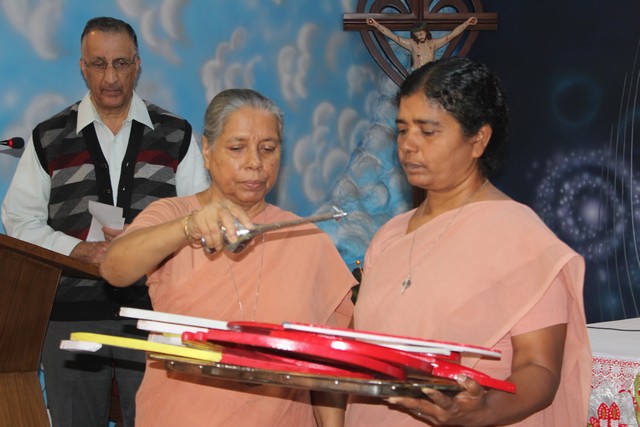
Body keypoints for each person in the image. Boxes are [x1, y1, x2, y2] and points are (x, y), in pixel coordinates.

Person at [344, 57, 592, 426]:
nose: (408, 145)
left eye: (428, 132)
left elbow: (539, 368)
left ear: (478, 139)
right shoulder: (389, 235)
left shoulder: (520, 236)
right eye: (402, 129)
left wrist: (482, 410)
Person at [99, 88, 356, 427]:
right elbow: (114, 269)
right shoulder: (174, 215)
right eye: (237, 148)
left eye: (268, 149)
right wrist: (189, 226)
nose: (255, 163)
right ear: (207, 150)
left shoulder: (306, 238)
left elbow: (328, 365)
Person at [1, 16, 209, 427]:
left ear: (137, 65)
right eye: (98, 64)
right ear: (83, 67)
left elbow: (198, 219)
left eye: (120, 63)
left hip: (154, 313)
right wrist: (79, 250)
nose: (110, 77)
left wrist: (145, 247)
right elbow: (19, 221)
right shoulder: (48, 137)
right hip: (69, 318)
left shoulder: (176, 135)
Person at [367, 17, 477, 70]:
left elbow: (452, 35)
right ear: (414, 35)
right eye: (417, 35)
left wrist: (467, 23)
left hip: (429, 74)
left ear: (426, 32)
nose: (420, 36)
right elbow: (391, 35)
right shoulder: (411, 44)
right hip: (416, 74)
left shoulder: (433, 43)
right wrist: (376, 24)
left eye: (422, 33)